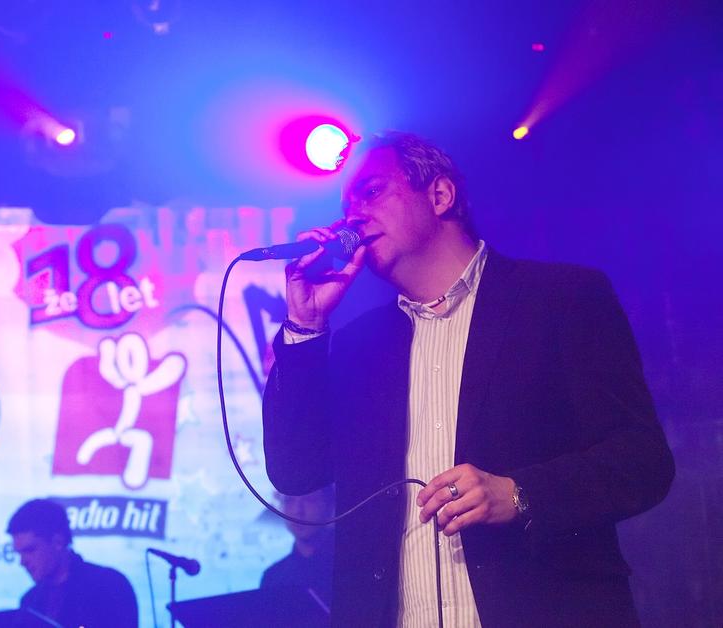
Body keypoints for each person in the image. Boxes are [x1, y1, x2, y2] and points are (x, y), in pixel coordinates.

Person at [261, 131, 675, 627]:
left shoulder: (561, 301)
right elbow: (295, 471)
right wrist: (305, 328)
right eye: (347, 204)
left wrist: (519, 494)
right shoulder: (359, 346)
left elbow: (642, 461)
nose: (353, 216)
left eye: (371, 192)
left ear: (439, 195)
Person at [7, 499, 138, 628]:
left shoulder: (109, 585)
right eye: (19, 553)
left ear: (58, 542)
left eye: (30, 550)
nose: (23, 562)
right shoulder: (30, 601)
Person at [260, 485, 336, 609]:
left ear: (330, 506)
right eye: (289, 500)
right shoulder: (273, 577)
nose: (297, 510)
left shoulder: (348, 567)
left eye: (310, 500)